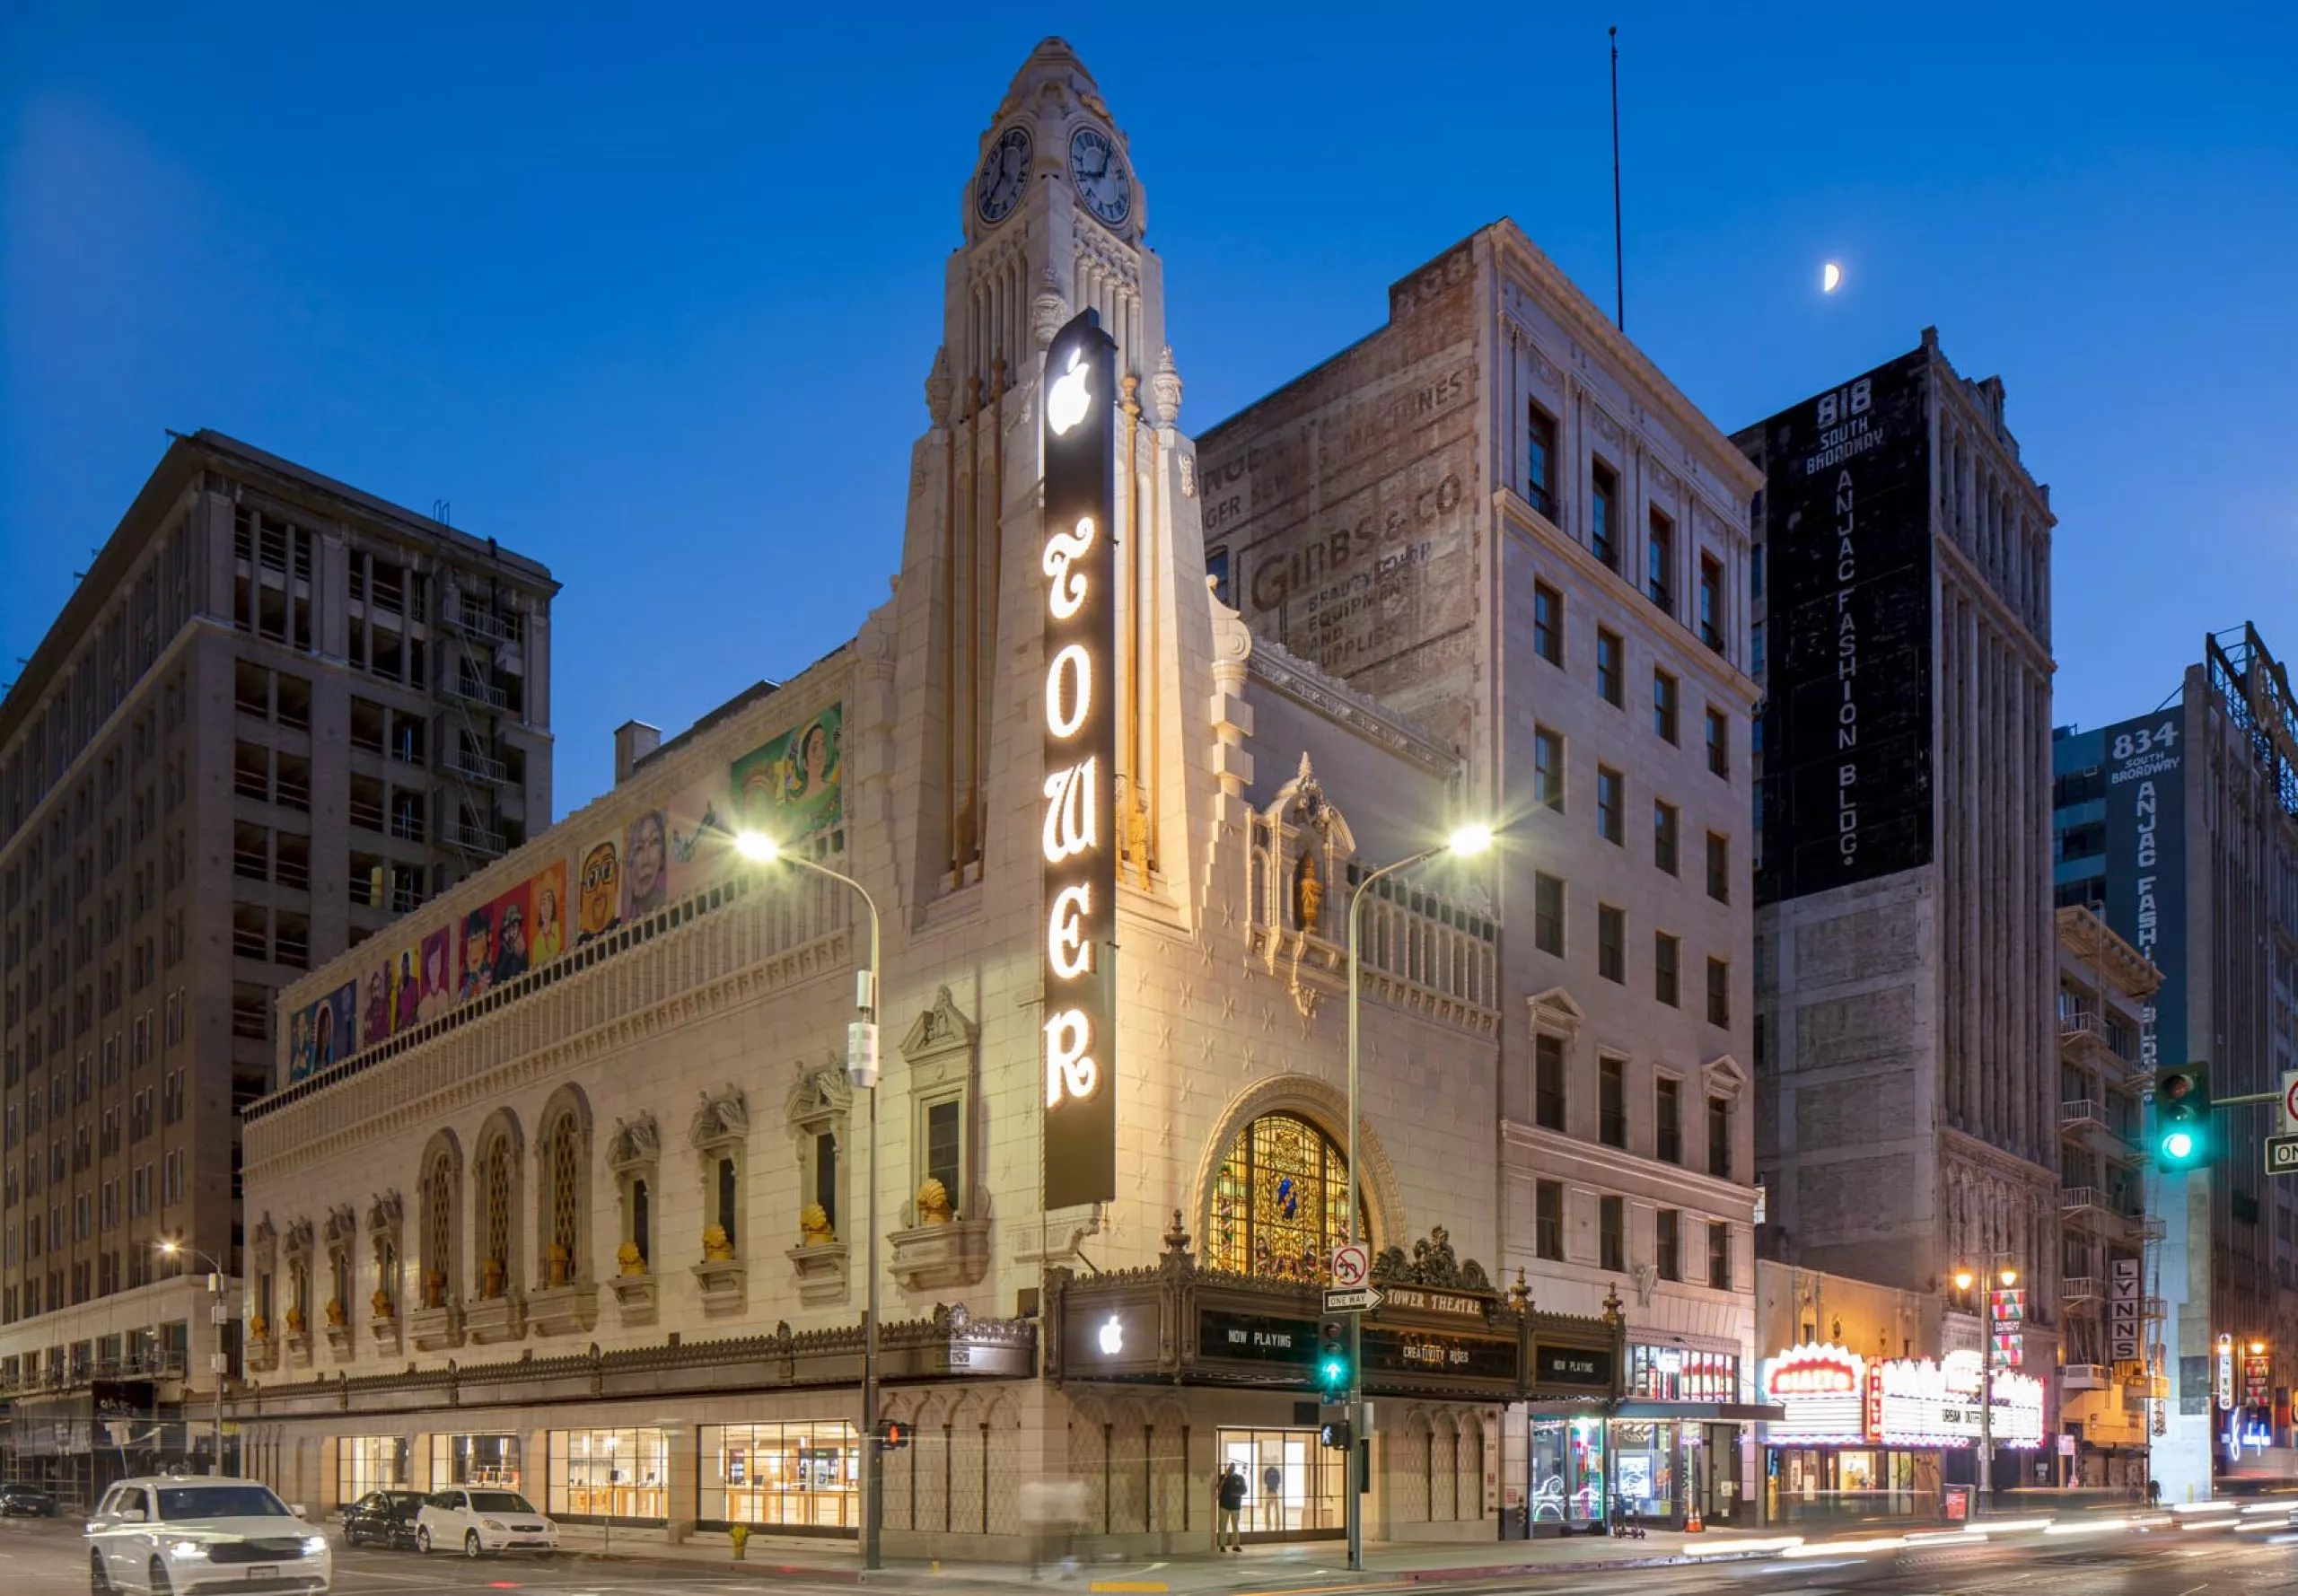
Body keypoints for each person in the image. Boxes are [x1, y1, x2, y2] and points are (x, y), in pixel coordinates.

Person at [1215, 1463, 1246, 1553]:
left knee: (1235, 1526)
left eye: (1233, 1467)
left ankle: (1235, 1545)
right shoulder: (1223, 1477)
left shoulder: (1240, 1478)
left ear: (1235, 1468)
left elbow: (1244, 1490)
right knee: (1222, 1526)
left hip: (1236, 1506)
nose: (1231, 1469)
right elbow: (1218, 1488)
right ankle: (1222, 1545)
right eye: (1230, 1467)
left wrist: (1236, 1494)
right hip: (1224, 1505)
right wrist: (1225, 1478)